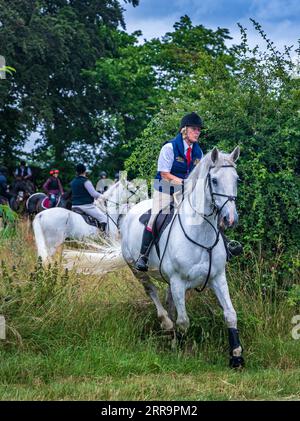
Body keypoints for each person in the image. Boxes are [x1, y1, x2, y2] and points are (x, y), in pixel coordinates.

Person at [135, 112, 204, 271]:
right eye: (194, 129)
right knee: (156, 216)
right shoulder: (169, 147)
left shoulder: (198, 152)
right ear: (184, 130)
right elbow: (165, 174)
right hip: (165, 187)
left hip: (184, 189)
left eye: (199, 129)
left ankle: (224, 245)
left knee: (203, 211)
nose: (197, 132)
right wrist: (185, 183)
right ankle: (143, 256)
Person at [70, 164, 107, 232]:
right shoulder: (86, 181)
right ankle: (103, 236)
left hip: (74, 206)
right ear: (85, 171)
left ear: (77, 172)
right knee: (104, 218)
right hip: (86, 206)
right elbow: (93, 194)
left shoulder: (73, 182)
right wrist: (103, 196)